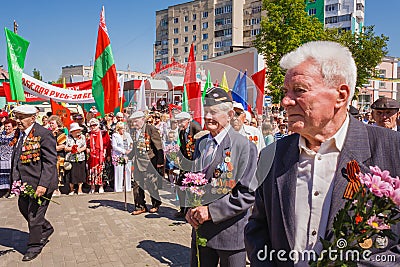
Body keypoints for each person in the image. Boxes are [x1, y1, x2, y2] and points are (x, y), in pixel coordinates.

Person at [244, 41, 400, 266]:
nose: (285, 102)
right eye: (285, 92)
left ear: (341, 95)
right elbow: (258, 227)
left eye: (299, 90)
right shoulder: (273, 155)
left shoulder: (391, 149)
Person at [185, 87, 258, 267]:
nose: (208, 117)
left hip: (230, 235)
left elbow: (247, 193)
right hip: (201, 231)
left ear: (230, 114)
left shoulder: (244, 147)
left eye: (214, 112)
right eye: (206, 111)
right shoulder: (201, 142)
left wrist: (211, 211)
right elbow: (193, 180)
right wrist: (189, 207)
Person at [10, 105, 57, 261]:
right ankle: (46, 228)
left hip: (40, 183)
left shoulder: (44, 134)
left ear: (32, 118)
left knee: (34, 215)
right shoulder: (20, 134)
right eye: (16, 117)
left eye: (21, 117)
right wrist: (15, 180)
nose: (18, 121)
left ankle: (34, 246)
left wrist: (43, 185)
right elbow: (17, 158)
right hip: (24, 183)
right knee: (23, 208)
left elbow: (50, 162)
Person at [128, 111, 164, 215]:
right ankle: (140, 206)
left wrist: (160, 162)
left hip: (150, 162)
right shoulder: (134, 131)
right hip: (138, 162)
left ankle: (156, 203)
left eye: (136, 121)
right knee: (137, 185)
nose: (134, 124)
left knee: (151, 184)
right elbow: (135, 147)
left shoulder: (151, 129)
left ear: (142, 119)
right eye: (133, 121)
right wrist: (128, 157)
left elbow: (158, 146)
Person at [174, 111, 202, 218]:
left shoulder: (195, 127)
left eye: (181, 121)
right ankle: (183, 209)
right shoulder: (181, 131)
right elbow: (182, 147)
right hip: (186, 162)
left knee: (192, 187)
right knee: (180, 185)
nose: (179, 124)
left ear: (188, 120)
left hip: (195, 162)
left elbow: (202, 144)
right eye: (178, 121)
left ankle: (192, 211)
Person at [86, 118, 111, 194]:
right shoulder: (88, 134)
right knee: (92, 171)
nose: (93, 127)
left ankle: (101, 186)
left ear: (98, 125)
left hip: (101, 155)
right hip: (92, 156)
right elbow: (86, 144)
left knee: (101, 170)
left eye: (95, 125)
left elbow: (108, 145)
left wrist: (108, 155)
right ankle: (92, 186)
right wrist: (87, 149)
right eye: (91, 125)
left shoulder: (104, 133)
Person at [64, 122, 87, 195]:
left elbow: (85, 146)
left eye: (78, 130)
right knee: (72, 175)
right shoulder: (67, 137)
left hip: (80, 158)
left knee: (81, 174)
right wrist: (71, 149)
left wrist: (80, 150)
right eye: (76, 130)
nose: (78, 132)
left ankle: (80, 189)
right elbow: (65, 148)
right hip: (71, 158)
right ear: (72, 132)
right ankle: (71, 189)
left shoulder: (82, 137)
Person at [48, 115, 67, 196]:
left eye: (52, 123)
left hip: (58, 156)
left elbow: (62, 146)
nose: (51, 125)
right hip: (51, 155)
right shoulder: (49, 133)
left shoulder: (60, 133)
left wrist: (51, 148)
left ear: (57, 123)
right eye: (50, 123)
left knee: (58, 171)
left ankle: (57, 189)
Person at [112, 122, 133, 192]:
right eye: (122, 129)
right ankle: (118, 189)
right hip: (118, 156)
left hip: (128, 156)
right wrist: (124, 151)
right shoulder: (115, 135)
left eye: (124, 128)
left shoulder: (127, 135)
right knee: (118, 172)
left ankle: (128, 188)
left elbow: (131, 143)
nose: (123, 130)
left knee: (128, 171)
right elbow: (114, 147)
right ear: (118, 129)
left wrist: (129, 151)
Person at [0, 119, 16, 198]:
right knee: (2, 175)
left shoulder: (15, 135)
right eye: (5, 126)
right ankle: (4, 190)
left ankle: (11, 191)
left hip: (10, 157)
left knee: (11, 174)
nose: (7, 128)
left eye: (9, 126)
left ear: (13, 127)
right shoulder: (1, 134)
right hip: (2, 157)